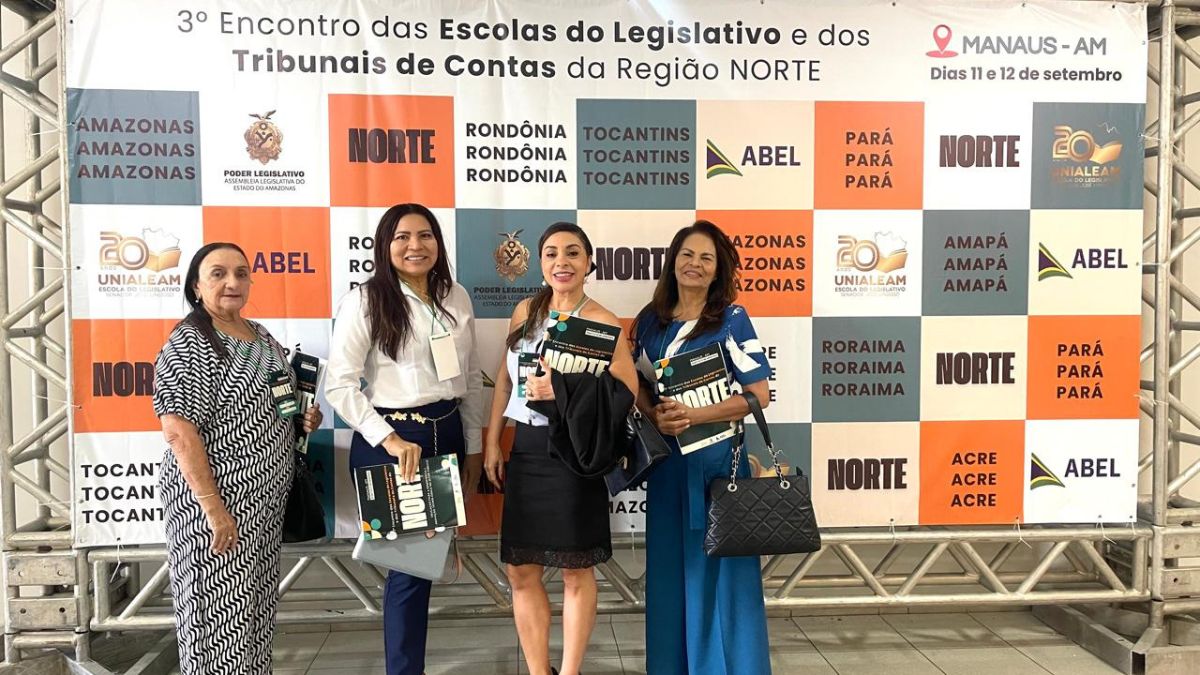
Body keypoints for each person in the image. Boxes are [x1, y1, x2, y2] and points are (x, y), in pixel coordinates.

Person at [325, 203, 483, 675]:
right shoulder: (365, 300)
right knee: (410, 570)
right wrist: (388, 439)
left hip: (446, 429)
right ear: (384, 246)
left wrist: (473, 446)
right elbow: (339, 385)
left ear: (438, 242)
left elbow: (471, 378)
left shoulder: (456, 295)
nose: (415, 246)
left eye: (425, 235)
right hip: (397, 441)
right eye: (402, 237)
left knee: (427, 562)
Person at [153, 242, 323, 675]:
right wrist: (213, 509)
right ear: (196, 285)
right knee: (216, 623)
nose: (232, 282)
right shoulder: (189, 342)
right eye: (218, 273)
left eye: (241, 273)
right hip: (216, 506)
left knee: (253, 615)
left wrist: (302, 418)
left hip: (263, 505)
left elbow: (278, 402)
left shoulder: (260, 334)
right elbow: (178, 431)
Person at [483, 222, 639, 675]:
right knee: (520, 569)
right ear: (541, 263)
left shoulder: (604, 322)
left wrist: (564, 390)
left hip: (576, 455)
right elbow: (505, 380)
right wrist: (493, 440)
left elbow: (627, 392)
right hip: (528, 448)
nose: (561, 262)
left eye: (572, 253)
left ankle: (569, 671)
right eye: (551, 253)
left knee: (575, 569)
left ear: (589, 263)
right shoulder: (525, 311)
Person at [632, 220, 774, 675]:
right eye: (688, 255)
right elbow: (638, 384)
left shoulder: (732, 320)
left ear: (718, 270)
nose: (695, 264)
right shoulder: (649, 322)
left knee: (723, 575)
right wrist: (654, 414)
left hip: (718, 466)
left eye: (706, 258)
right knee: (670, 571)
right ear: (673, 262)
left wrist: (697, 415)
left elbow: (759, 394)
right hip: (668, 466)